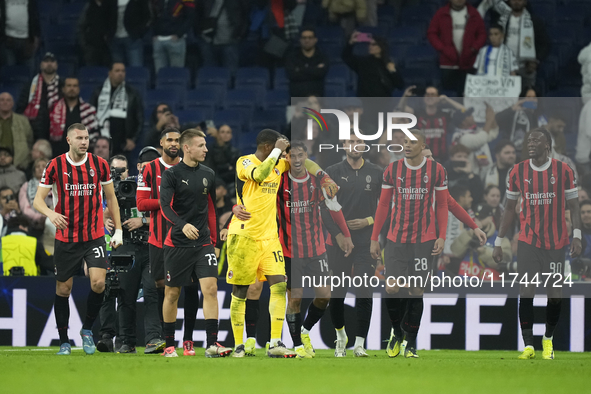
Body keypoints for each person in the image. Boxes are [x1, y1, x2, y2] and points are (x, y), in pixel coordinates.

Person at [226, 129, 337, 358]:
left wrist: (324, 176)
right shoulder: (244, 161)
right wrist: (277, 150)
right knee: (241, 290)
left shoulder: (280, 165)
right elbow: (258, 175)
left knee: (278, 285)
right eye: (284, 151)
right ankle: (239, 344)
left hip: (270, 238)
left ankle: (275, 342)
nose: (288, 157)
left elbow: (306, 163)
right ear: (269, 147)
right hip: (245, 235)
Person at [33, 123, 123, 356]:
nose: (84, 142)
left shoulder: (100, 165)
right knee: (64, 289)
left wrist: (119, 230)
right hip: (66, 237)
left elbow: (111, 199)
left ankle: (86, 330)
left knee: (99, 283)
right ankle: (64, 340)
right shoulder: (55, 165)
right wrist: (51, 213)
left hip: (93, 236)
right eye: (79, 138)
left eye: (87, 138)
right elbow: (38, 201)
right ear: (68, 140)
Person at [493, 127, 582, 360]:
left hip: (555, 242)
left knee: (554, 295)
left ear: (548, 145)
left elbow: (574, 207)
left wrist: (577, 235)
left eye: (536, 140)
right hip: (528, 241)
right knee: (527, 290)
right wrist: (498, 241)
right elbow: (510, 209)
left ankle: (548, 339)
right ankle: (529, 345)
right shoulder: (517, 171)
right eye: (528, 141)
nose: (530, 144)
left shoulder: (563, 171)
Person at [370, 129, 449, 358]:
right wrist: (375, 238)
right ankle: (397, 332)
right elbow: (383, 206)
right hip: (395, 239)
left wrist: (441, 235)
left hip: (424, 241)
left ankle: (411, 343)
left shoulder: (436, 170)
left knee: (416, 290)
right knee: (392, 287)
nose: (407, 145)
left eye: (412, 142)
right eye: (405, 141)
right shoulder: (393, 169)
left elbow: (442, 206)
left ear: (423, 145)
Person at [159, 128, 232, 358]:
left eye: (206, 145)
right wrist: (182, 225)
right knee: (172, 294)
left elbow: (211, 207)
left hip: (202, 244)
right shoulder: (171, 175)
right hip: (177, 243)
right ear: (186, 147)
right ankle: (169, 344)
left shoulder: (208, 174)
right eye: (201, 145)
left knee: (210, 290)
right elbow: (165, 207)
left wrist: (214, 239)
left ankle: (212, 343)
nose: (206, 149)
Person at [278, 142, 352, 358]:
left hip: (316, 248)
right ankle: (298, 345)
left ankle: (305, 330)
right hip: (290, 250)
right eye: (293, 156)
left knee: (324, 296)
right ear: (287, 158)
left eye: (301, 155)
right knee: (295, 298)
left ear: (306, 156)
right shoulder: (280, 181)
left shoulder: (316, 181)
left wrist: (345, 234)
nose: (298, 160)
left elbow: (332, 208)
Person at [137, 128, 201, 355]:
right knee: (162, 287)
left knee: (192, 287)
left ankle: (188, 339)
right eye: (169, 140)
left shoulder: (193, 166)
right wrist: (168, 200)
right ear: (161, 143)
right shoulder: (149, 169)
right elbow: (141, 204)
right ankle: (166, 339)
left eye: (177, 140)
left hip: (188, 238)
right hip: (158, 238)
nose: (173, 143)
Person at [322, 131, 383, 357]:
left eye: (359, 141)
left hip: (366, 242)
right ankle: (340, 337)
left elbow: (387, 208)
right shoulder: (332, 172)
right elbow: (325, 208)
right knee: (337, 292)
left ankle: (359, 344)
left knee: (364, 290)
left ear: (365, 145)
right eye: (351, 141)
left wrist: (369, 220)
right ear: (343, 145)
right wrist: (338, 235)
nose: (355, 145)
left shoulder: (377, 173)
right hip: (339, 243)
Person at [478, 0, 550, 89]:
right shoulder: (501, 20)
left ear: (525, 2)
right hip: (504, 67)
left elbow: (545, 44)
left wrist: (537, 61)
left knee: (527, 100)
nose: (516, 2)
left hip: (526, 68)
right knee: (505, 99)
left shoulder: (534, 21)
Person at [427, 0, 486, 95]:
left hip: (468, 62)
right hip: (447, 63)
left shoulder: (473, 13)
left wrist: (474, 48)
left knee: (467, 95)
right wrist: (443, 49)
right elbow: (431, 33)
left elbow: (482, 34)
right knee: (448, 96)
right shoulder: (441, 13)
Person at [399, 85, 466, 161]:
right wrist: (405, 96)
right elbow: (400, 109)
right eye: (427, 94)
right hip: (422, 158)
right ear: (424, 98)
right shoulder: (418, 113)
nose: (429, 97)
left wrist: (447, 99)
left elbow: (465, 111)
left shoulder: (445, 114)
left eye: (433, 95)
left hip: (442, 159)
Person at [91, 62, 143, 156]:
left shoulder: (132, 93)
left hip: (123, 144)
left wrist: (133, 139)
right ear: (110, 73)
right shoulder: (98, 92)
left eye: (123, 71)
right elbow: (90, 116)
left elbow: (139, 119)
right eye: (117, 71)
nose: (120, 73)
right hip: (102, 142)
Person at [196, 0, 250, 78]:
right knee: (209, 75)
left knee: (231, 74)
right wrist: (199, 32)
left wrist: (239, 35)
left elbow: (245, 16)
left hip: (230, 41)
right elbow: (197, 15)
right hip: (207, 40)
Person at [343, 32, 404, 98]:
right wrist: (351, 43)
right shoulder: (363, 62)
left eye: (374, 44)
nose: (370, 46)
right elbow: (346, 57)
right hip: (366, 101)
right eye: (369, 44)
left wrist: (393, 72)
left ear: (381, 47)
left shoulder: (389, 63)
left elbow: (400, 85)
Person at [49, 77, 99, 156]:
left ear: (79, 89)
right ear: (63, 89)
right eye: (69, 86)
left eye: (75, 86)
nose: (72, 88)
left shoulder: (88, 111)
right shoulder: (53, 109)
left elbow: (93, 136)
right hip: (57, 154)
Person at [152, 0, 195, 72]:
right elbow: (151, 15)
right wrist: (153, 34)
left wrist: (179, 34)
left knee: (176, 74)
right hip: (158, 40)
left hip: (175, 40)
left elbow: (190, 17)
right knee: (160, 75)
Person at [285, 28, 329, 98]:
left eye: (310, 38)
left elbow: (321, 73)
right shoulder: (292, 57)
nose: (307, 40)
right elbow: (292, 75)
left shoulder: (322, 57)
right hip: (295, 102)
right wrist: (314, 69)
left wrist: (300, 69)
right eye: (304, 38)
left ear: (315, 40)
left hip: (316, 103)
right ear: (300, 40)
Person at [106, 0, 151, 67]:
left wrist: (139, 33)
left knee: (136, 69)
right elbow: (104, 15)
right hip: (114, 39)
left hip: (133, 39)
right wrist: (107, 33)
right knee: (117, 70)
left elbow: (147, 17)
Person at [0, 0, 40, 72]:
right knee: (10, 73)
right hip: (9, 40)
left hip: (28, 41)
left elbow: (35, 16)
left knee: (28, 73)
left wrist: (35, 37)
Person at [0, 92, 34, 171]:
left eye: (8, 100)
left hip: (18, 165)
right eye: (2, 100)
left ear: (12, 104)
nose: (5, 102)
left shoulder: (23, 121)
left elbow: (30, 141)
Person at [19, 157, 51, 236]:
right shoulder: (26, 186)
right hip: (32, 224)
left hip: (53, 223)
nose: (40, 169)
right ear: (34, 170)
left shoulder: (57, 185)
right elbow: (25, 208)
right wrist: (39, 217)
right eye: (37, 167)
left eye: (44, 166)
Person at [445, 143, 484, 208]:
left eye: (465, 157)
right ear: (451, 158)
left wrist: (469, 174)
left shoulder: (473, 177)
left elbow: (477, 198)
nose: (462, 159)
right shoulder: (444, 174)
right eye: (459, 156)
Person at [78, 0, 111, 66]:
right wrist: (84, 45)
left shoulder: (110, 5)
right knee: (92, 73)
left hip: (108, 48)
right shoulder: (88, 7)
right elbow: (80, 27)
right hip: (92, 47)